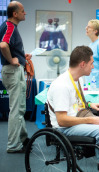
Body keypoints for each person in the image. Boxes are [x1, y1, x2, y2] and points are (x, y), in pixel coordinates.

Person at [47, 46, 99, 172]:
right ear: (82, 64)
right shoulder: (61, 85)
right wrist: (90, 120)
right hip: (65, 127)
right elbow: (62, 120)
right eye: (91, 63)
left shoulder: (76, 79)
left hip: (80, 118)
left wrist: (90, 105)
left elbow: (74, 101)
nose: (93, 67)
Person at [0, 1, 31, 153]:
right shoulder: (10, 26)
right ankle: (13, 145)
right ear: (15, 14)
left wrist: (20, 56)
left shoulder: (10, 27)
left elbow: (8, 47)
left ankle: (23, 139)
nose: (25, 13)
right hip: (12, 71)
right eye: (23, 11)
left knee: (19, 108)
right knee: (16, 109)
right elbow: (3, 45)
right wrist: (12, 59)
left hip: (12, 71)